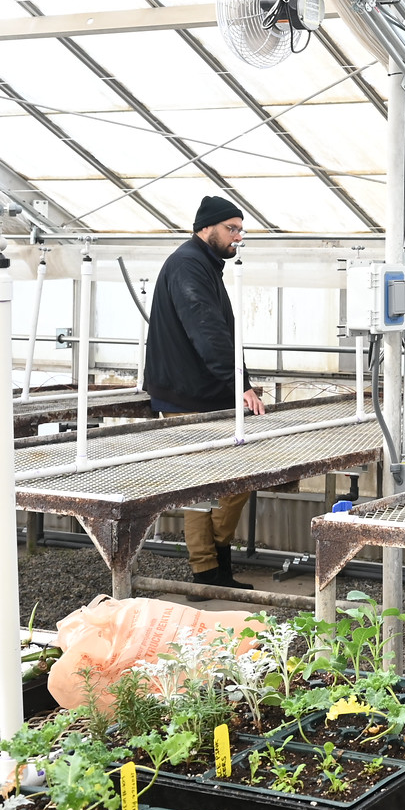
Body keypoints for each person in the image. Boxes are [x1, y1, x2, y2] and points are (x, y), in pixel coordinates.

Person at [145, 196, 263, 593]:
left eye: (240, 229)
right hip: (189, 395)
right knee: (206, 484)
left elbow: (216, 331)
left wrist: (237, 382)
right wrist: (240, 384)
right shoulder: (189, 264)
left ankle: (214, 565)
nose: (238, 237)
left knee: (226, 481)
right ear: (206, 227)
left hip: (202, 389)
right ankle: (208, 570)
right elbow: (207, 329)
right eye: (231, 228)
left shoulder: (203, 264)